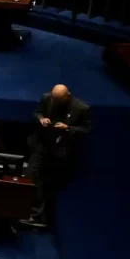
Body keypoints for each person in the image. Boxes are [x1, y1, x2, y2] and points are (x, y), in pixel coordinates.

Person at [22, 84, 92, 228]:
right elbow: (37, 113)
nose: (55, 101)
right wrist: (41, 119)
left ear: (67, 96)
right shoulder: (47, 98)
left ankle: (42, 218)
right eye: (54, 98)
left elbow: (87, 129)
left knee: (49, 183)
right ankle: (32, 214)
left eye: (58, 99)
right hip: (42, 145)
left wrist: (68, 128)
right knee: (30, 176)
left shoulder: (82, 108)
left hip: (60, 150)